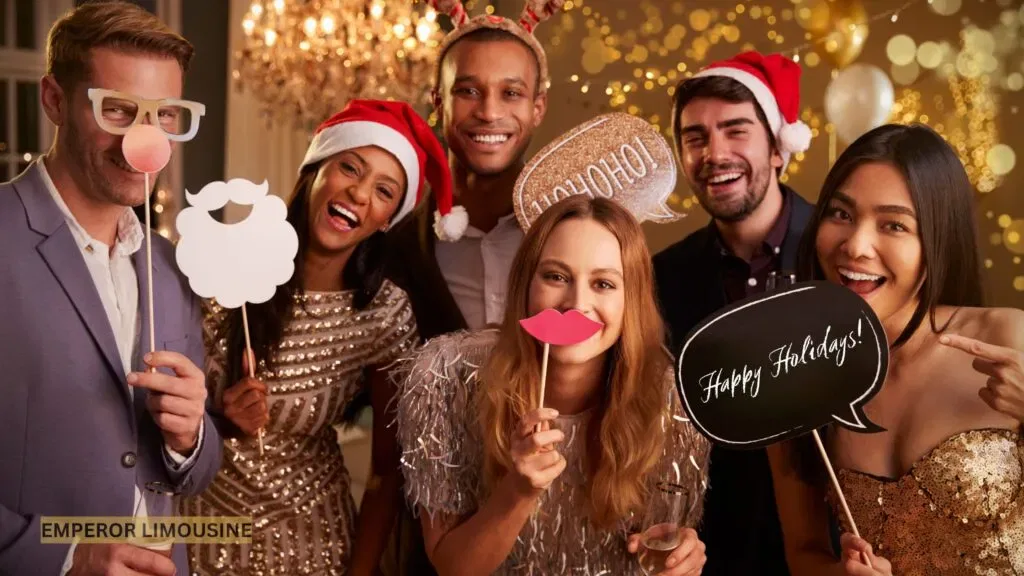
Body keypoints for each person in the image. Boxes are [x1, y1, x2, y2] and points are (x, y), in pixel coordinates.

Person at [178, 100, 464, 575]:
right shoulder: (223, 264)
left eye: (384, 190)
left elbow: (387, 473)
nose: (358, 192)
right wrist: (222, 421)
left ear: (388, 217)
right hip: (202, 535)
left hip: (312, 544)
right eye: (349, 166)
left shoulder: (384, 314)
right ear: (315, 169)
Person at [0, 2, 223, 575]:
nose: (143, 141)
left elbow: (194, 473)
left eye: (165, 115)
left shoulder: (171, 268)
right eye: (119, 110)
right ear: (55, 101)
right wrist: (63, 559)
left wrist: (190, 437)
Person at [395, 195, 711, 575]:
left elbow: (657, 546)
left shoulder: (669, 401)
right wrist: (517, 492)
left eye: (604, 284)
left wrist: (680, 559)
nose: (577, 304)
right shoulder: (449, 378)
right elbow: (453, 567)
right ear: (525, 284)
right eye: (556, 277)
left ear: (632, 301)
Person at [768, 123, 1024, 576]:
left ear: (937, 241)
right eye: (841, 214)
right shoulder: (795, 379)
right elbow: (804, 553)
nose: (855, 246)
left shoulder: (1009, 338)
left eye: (894, 225)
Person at [653, 50, 815, 576]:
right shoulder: (658, 278)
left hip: (836, 550)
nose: (714, 153)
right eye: (695, 137)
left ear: (777, 147)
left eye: (736, 130)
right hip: (714, 555)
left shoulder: (840, 255)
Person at [386, 0, 563, 338]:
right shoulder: (395, 246)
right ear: (439, 103)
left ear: (537, 108)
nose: (489, 112)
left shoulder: (570, 232)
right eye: (468, 91)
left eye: (511, 93)